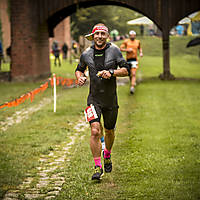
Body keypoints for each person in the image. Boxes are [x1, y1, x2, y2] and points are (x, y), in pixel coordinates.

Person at [75, 23, 130, 181]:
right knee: (94, 131)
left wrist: (111, 72)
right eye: (97, 34)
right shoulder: (86, 54)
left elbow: (126, 70)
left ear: (107, 36)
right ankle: (97, 166)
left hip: (110, 99)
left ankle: (107, 154)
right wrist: (80, 77)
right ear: (93, 36)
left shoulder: (114, 50)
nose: (99, 36)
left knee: (109, 131)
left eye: (102, 34)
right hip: (94, 99)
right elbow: (79, 69)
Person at [120, 30, 143, 94]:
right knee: (129, 74)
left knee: (133, 74)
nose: (132, 36)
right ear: (129, 36)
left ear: (135, 36)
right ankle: (132, 82)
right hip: (128, 60)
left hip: (134, 60)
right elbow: (121, 49)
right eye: (131, 35)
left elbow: (140, 48)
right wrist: (127, 50)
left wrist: (141, 53)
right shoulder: (126, 41)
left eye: (134, 35)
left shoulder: (137, 42)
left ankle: (132, 87)